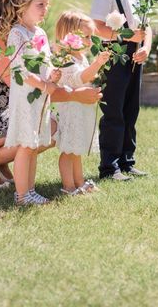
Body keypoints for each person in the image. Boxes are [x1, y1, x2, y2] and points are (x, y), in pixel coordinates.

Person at [0, 0, 104, 188]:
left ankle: (2, 165)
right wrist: (74, 96)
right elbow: (18, 82)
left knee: (48, 125)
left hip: (16, 104)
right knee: (54, 128)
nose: (45, 9)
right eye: (40, 3)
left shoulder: (28, 31)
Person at [90, 0, 153, 181]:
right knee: (113, 110)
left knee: (131, 109)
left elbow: (147, 26)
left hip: (135, 55)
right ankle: (110, 166)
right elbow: (97, 27)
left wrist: (146, 46)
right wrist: (128, 36)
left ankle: (127, 161)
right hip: (114, 54)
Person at [0, 0, 60, 205]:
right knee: (25, 145)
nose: (45, 9)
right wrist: (45, 85)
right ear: (21, 5)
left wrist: (53, 73)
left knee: (33, 145)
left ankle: (30, 190)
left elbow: (47, 60)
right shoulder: (17, 33)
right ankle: (22, 194)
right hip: (26, 98)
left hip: (41, 99)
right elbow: (20, 70)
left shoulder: (40, 33)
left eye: (47, 5)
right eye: (40, 4)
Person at [54, 11, 110, 195]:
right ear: (70, 36)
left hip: (82, 108)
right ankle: (68, 186)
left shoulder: (80, 57)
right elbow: (80, 78)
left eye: (90, 36)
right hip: (71, 110)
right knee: (68, 150)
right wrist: (98, 63)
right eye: (85, 36)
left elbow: (87, 77)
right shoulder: (67, 59)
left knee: (76, 149)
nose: (89, 40)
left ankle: (79, 182)